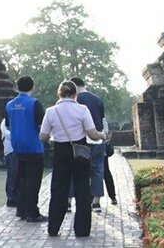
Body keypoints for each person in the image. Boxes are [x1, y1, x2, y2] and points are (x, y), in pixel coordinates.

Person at [39, 81, 107, 238]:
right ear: (76, 94)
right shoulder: (82, 109)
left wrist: (52, 137)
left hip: (61, 151)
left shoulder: (51, 111)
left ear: (59, 93)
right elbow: (92, 134)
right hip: (80, 151)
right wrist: (102, 135)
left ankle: (54, 228)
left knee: (58, 190)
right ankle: (82, 230)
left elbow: (42, 136)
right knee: (82, 190)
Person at [5, 76, 47, 223]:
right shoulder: (34, 103)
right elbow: (42, 126)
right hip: (34, 147)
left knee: (21, 180)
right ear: (32, 87)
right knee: (33, 182)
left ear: (17, 87)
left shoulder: (9, 105)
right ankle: (32, 212)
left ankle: (21, 210)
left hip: (17, 148)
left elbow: (9, 126)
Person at [70, 77, 108, 212]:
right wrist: (104, 136)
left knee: (75, 170)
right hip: (97, 138)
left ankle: (69, 202)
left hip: (80, 140)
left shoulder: (74, 100)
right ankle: (96, 202)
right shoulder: (97, 99)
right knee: (97, 170)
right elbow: (103, 120)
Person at [0, 117, 19, 207]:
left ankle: (16, 197)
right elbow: (7, 134)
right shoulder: (5, 121)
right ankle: (11, 198)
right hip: (10, 151)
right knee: (12, 174)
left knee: (17, 175)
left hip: (19, 150)